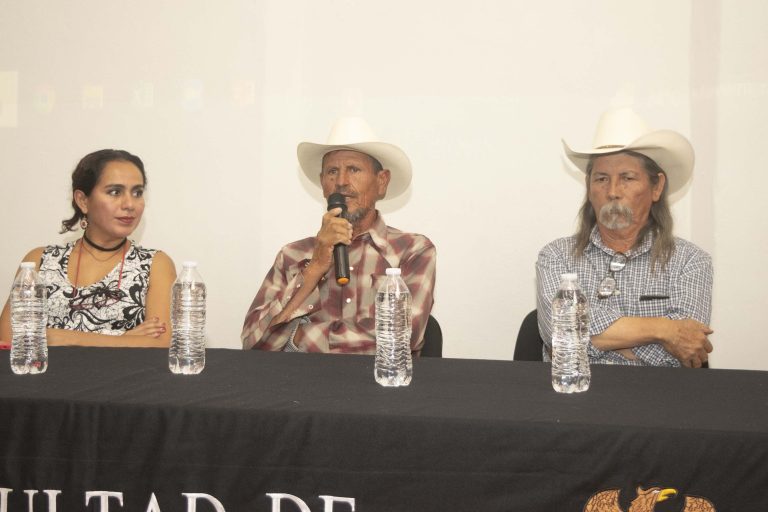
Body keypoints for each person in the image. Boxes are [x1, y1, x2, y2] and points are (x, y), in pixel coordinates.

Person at [536, 107, 713, 367]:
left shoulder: (691, 261)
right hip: (576, 396)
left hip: (660, 399)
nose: (613, 191)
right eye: (601, 179)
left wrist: (591, 343)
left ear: (657, 187)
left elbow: (685, 352)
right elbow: (559, 335)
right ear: (589, 187)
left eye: (627, 178)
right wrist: (665, 330)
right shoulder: (556, 256)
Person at [242, 117, 436, 354]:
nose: (341, 182)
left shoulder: (412, 251)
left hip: (379, 386)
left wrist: (296, 335)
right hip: (302, 387)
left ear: (381, 182)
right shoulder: (293, 255)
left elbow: (400, 337)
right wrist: (315, 267)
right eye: (332, 172)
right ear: (323, 184)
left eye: (353, 170)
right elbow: (252, 342)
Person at [0, 149, 176, 347]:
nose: (130, 204)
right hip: (48, 377)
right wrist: (124, 338)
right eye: (115, 192)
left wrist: (62, 337)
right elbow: (9, 339)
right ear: (83, 201)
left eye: (137, 192)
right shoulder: (40, 260)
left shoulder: (154, 264)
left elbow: (162, 343)